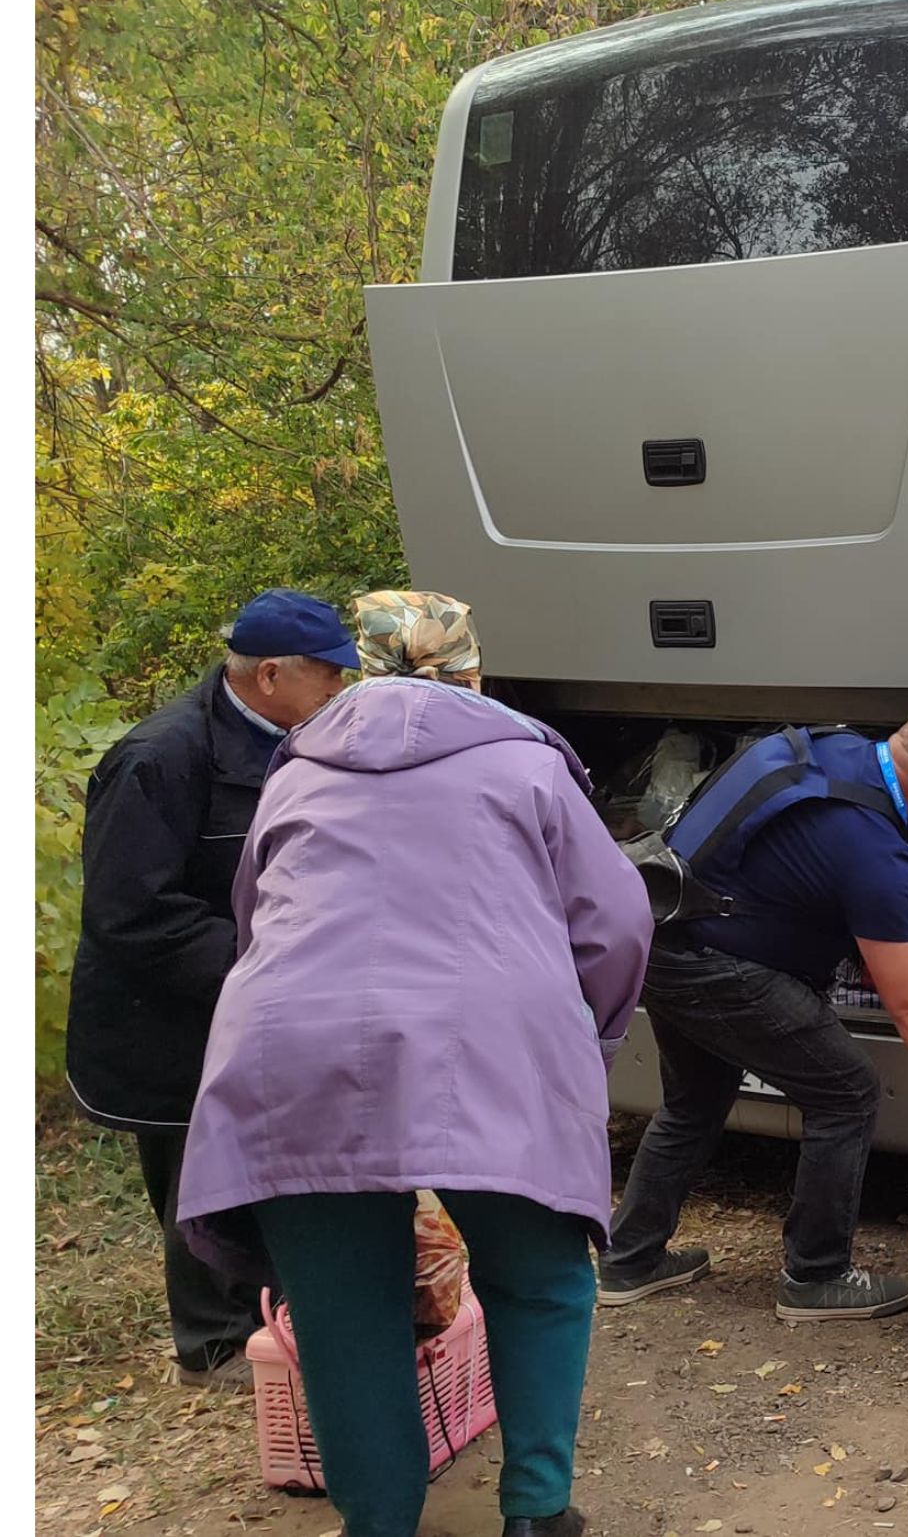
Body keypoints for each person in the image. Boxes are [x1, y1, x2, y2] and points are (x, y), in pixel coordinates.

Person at [176, 592, 652, 1537]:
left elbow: (253, 917)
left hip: (293, 1049)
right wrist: (579, 1044)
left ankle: (379, 1523)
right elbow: (616, 922)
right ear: (473, 672)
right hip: (492, 1038)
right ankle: (535, 1513)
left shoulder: (296, 771)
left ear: (357, 668)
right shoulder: (527, 765)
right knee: (539, 1277)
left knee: (346, 1311)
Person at [601, 708, 908, 1320]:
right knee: (847, 1092)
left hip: (662, 937)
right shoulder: (874, 849)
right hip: (718, 966)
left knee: (693, 1103)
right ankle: (816, 1276)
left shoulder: (827, 746)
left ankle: (629, 1261)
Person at [65, 589, 357, 1390]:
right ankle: (213, 1344)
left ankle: (273, 1318)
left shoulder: (294, 740)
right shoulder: (157, 758)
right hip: (167, 1015)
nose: (340, 693)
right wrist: (259, 968)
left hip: (258, 1001)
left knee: (263, 1160)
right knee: (198, 1169)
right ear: (269, 675)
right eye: (329, 677)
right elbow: (130, 911)